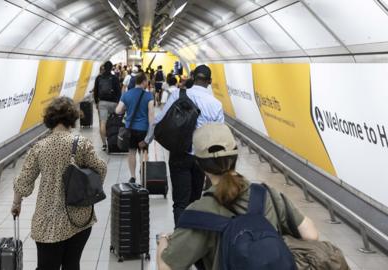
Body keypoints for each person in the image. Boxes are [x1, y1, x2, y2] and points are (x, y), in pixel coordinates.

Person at [156, 123, 319, 270]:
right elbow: (310, 235)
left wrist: (163, 239)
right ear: (236, 156)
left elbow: (167, 267)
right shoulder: (267, 194)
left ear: (200, 165)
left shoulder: (198, 214)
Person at [11, 97, 107, 270]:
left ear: (50, 119)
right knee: (72, 264)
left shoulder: (39, 147)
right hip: (79, 218)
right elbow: (101, 169)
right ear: (72, 118)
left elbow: (23, 182)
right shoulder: (81, 144)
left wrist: (16, 204)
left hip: (49, 221)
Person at [142, 65, 224, 225]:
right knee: (195, 202)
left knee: (180, 202)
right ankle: (192, 240)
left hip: (179, 154)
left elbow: (158, 121)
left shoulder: (178, 94)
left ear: (192, 77)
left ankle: (180, 241)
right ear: (210, 81)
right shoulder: (216, 104)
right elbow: (219, 137)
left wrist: (147, 140)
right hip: (201, 158)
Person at [115, 72, 155, 183]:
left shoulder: (127, 94)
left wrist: (126, 109)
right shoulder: (148, 96)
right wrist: (150, 135)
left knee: (131, 152)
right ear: (143, 82)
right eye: (146, 81)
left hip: (130, 129)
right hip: (143, 129)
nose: (147, 82)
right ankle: (144, 174)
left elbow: (118, 110)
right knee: (144, 152)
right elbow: (151, 116)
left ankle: (133, 177)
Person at [94, 61, 122, 151]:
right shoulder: (115, 78)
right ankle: (113, 141)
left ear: (104, 68)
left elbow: (95, 91)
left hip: (102, 103)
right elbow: (119, 92)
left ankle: (104, 144)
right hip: (114, 103)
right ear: (111, 68)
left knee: (102, 123)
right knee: (114, 121)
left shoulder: (99, 78)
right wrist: (118, 102)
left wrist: (96, 102)